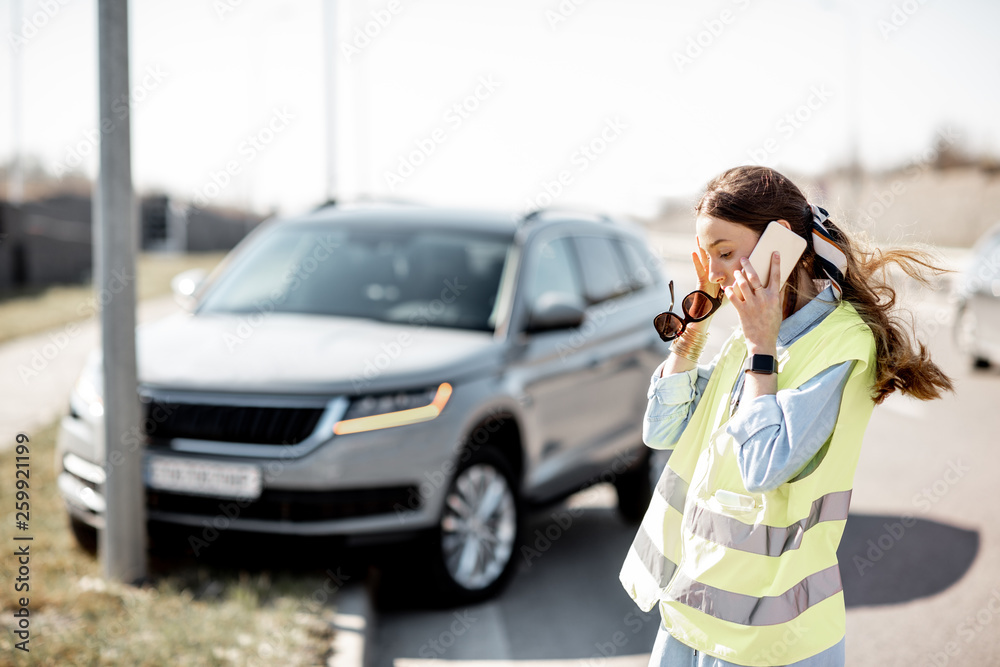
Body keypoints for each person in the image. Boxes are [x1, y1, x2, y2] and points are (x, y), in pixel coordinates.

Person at [619, 165, 954, 667]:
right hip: (688, 618)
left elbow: (763, 467)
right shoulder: (748, 337)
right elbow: (662, 432)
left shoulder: (842, 345)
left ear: (784, 245)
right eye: (707, 258)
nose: (714, 276)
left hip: (769, 642)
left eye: (726, 254)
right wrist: (690, 342)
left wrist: (761, 346)